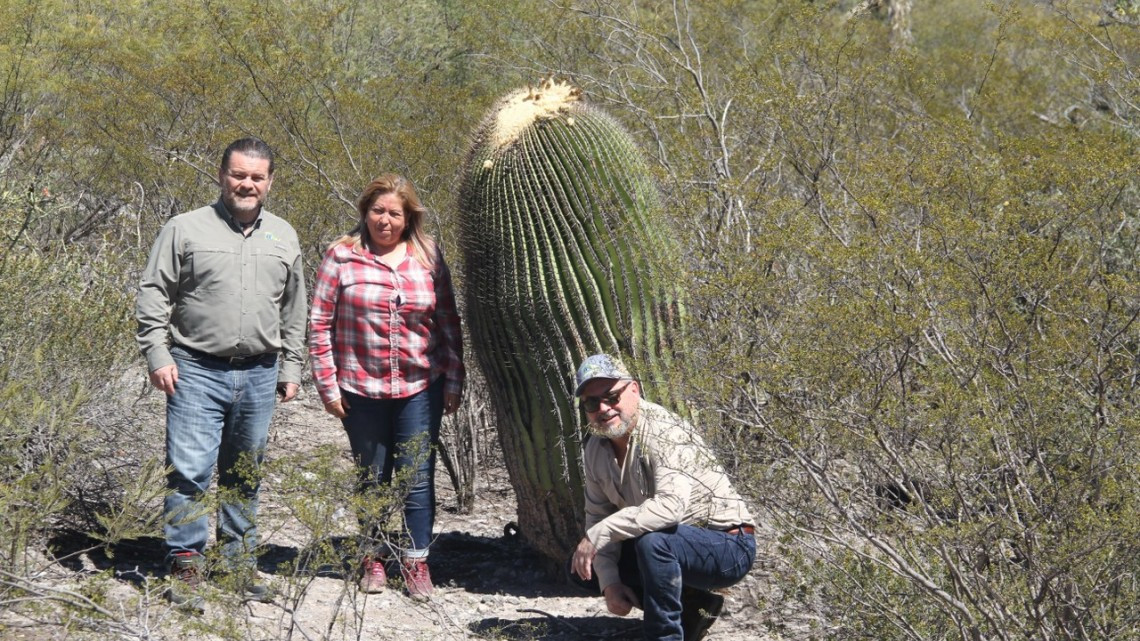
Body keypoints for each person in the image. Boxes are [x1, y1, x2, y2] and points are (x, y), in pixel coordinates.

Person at [135, 137, 307, 611]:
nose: (246, 184)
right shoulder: (184, 228)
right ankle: (186, 564)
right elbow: (154, 293)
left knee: (244, 473)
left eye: (256, 177)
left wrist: (292, 365)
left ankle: (236, 563)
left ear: (270, 182)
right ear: (221, 175)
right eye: (238, 174)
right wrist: (157, 353)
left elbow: (294, 309)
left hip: (259, 372)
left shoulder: (284, 236)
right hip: (194, 369)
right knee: (189, 472)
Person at [308, 173, 464, 601]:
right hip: (360, 386)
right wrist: (328, 384)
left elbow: (448, 320)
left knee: (417, 476)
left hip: (419, 384)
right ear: (365, 212)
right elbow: (319, 324)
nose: (385, 220)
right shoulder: (341, 256)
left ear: (408, 216)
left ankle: (416, 562)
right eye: (378, 211)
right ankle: (372, 558)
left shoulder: (428, 255)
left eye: (395, 213)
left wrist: (454, 376)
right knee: (372, 476)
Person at [568, 354, 757, 641]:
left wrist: (598, 534)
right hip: (673, 545)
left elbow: (670, 509)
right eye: (592, 403)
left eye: (611, 396)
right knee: (584, 568)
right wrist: (610, 583)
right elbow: (598, 515)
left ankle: (665, 636)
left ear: (634, 390)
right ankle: (692, 606)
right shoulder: (595, 448)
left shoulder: (665, 431)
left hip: (728, 544)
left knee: (653, 543)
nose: (603, 409)